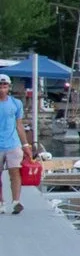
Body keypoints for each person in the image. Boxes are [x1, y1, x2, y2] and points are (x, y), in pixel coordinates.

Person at [0, 76, 27, 214]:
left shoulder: (16, 103)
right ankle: (1, 203)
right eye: (0, 84)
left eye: (5, 84)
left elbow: (19, 125)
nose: (2, 86)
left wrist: (26, 145)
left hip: (13, 144)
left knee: (15, 173)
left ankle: (16, 201)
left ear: (9, 86)